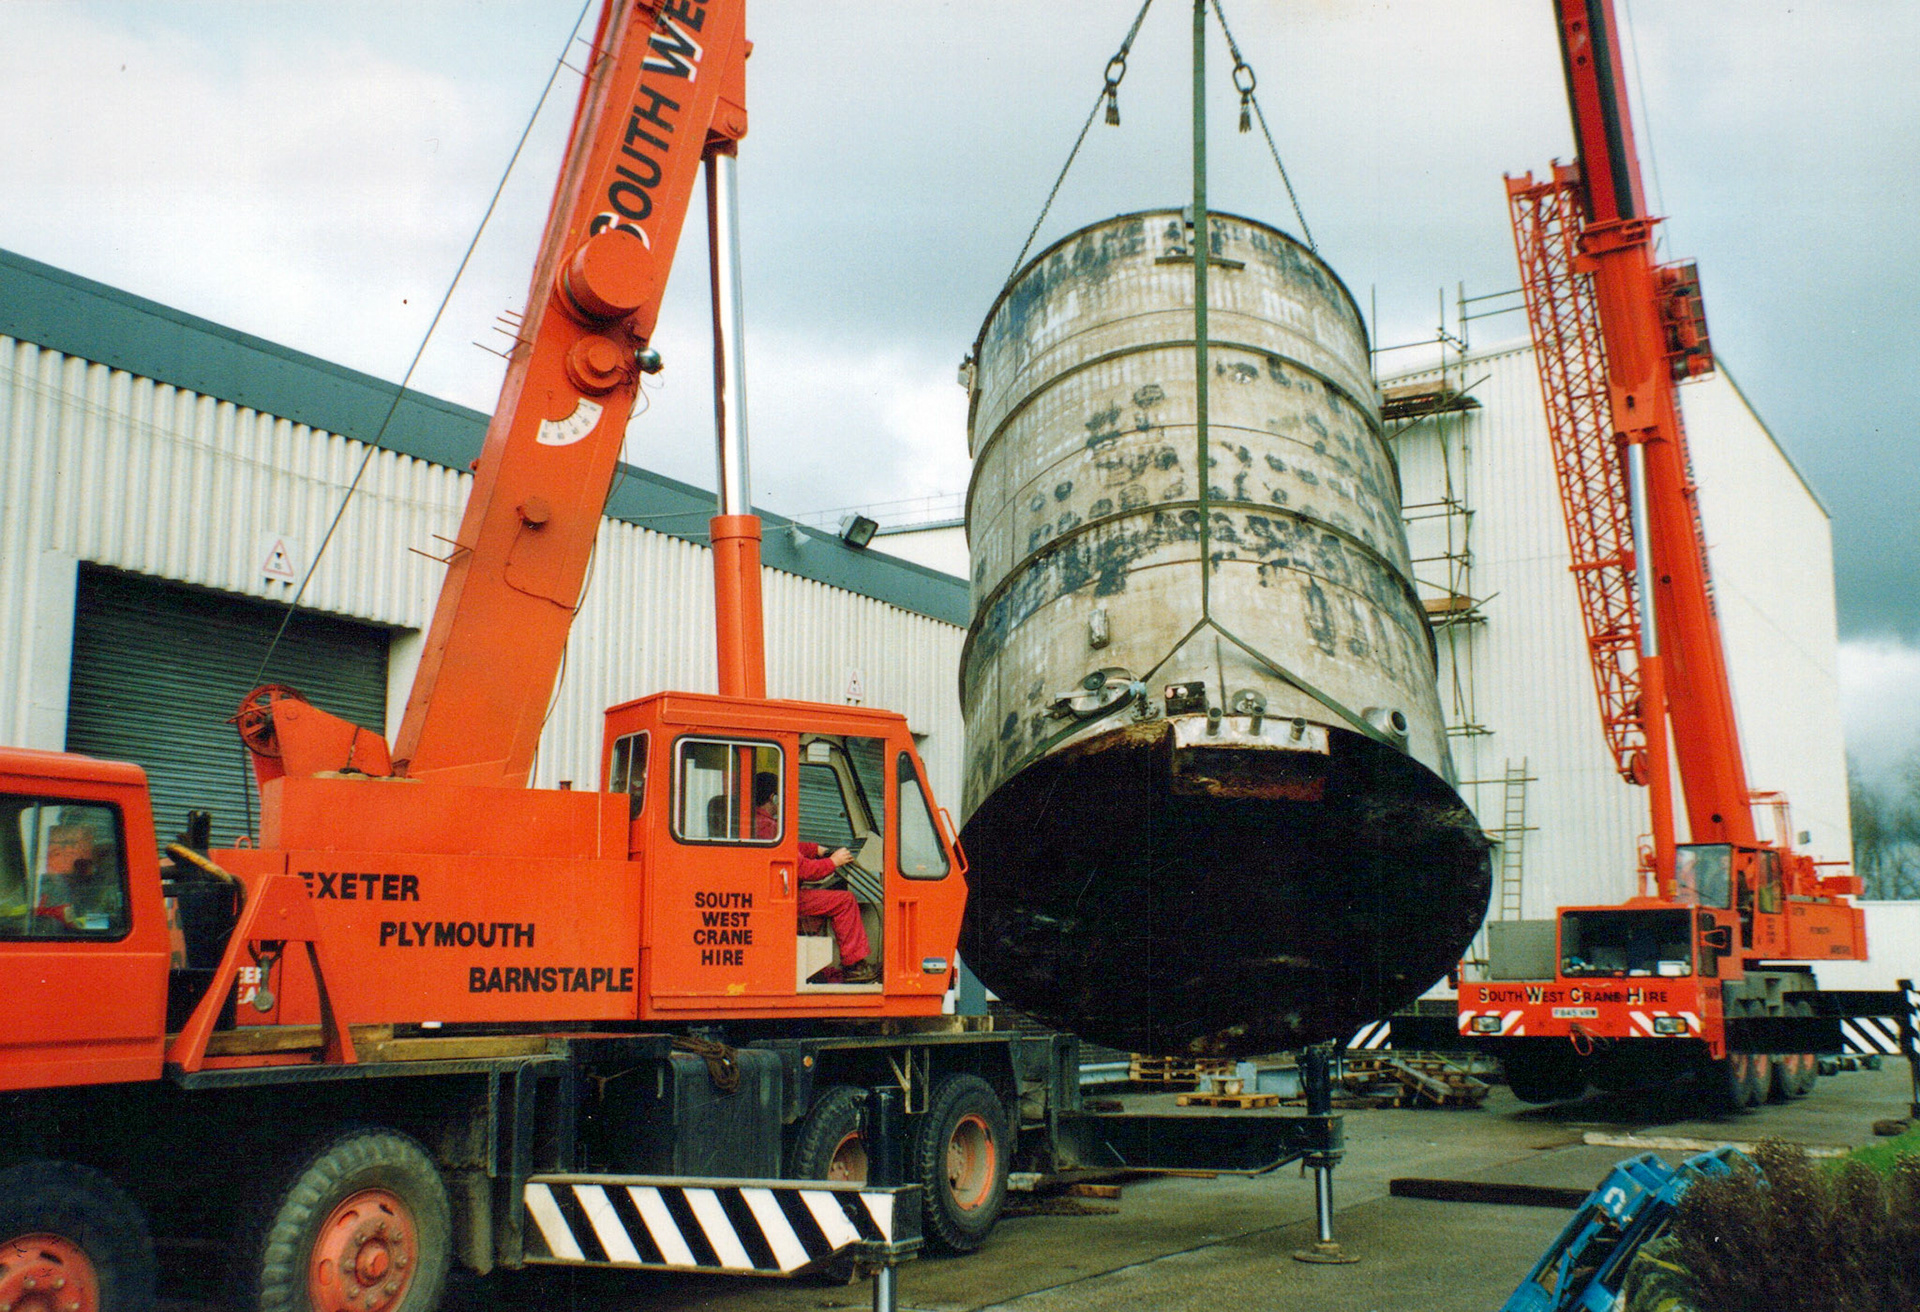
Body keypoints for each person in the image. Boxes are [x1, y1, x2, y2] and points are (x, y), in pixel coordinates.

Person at [753, 773, 878, 984]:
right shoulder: (767, 827)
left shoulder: (758, 823)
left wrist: (816, 850)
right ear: (773, 798)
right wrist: (834, 861)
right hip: (782, 897)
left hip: (771, 894)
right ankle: (854, 965)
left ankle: (827, 969)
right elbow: (805, 871)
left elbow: (787, 847)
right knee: (844, 901)